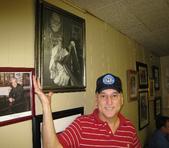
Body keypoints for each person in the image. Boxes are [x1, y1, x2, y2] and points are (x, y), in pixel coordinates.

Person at [33, 73, 141, 148]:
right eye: (103, 96)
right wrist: (46, 105)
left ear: (121, 100)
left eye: (114, 95)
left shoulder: (129, 129)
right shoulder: (82, 125)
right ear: (96, 100)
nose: (109, 101)